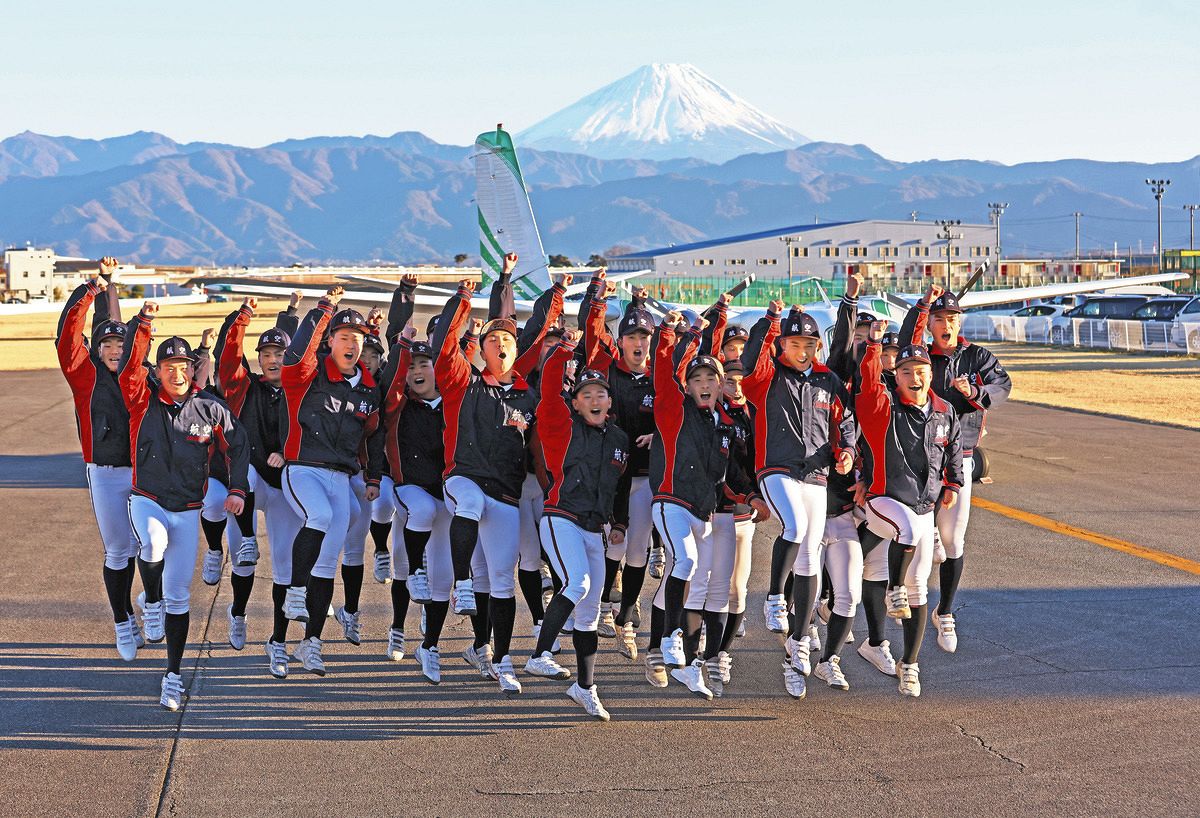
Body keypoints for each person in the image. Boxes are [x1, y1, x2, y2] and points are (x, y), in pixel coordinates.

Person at [431, 257, 564, 694]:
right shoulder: (461, 382)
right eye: (494, 340)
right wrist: (464, 299)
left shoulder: (529, 396)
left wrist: (558, 294)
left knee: (504, 581)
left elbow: (542, 334)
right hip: (463, 478)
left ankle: (501, 659)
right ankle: (462, 585)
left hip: (506, 495)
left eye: (509, 339)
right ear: (481, 349)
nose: (503, 345)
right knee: (467, 505)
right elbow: (445, 344)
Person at [118, 301, 249, 710]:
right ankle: (149, 601)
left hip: (188, 510)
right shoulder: (141, 401)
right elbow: (127, 366)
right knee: (152, 547)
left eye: (184, 365)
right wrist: (143, 324)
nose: (177, 372)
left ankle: (172, 677)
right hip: (148, 501)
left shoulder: (210, 408)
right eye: (168, 366)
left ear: (194, 369)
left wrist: (238, 489)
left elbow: (238, 446)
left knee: (181, 599)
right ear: (156, 371)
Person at [741, 301, 856, 700]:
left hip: (817, 474)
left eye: (809, 343)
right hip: (775, 468)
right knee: (794, 526)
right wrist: (769, 323)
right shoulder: (768, 377)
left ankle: (799, 645)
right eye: (794, 343)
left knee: (810, 557)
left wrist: (847, 452)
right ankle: (775, 597)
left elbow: (846, 423)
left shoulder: (828, 381)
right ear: (782, 345)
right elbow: (751, 361)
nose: (803, 351)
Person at [899, 285, 1012, 652]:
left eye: (952, 318)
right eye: (938, 318)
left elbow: (1002, 386)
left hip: (959, 456)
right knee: (916, 536)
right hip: (917, 456)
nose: (946, 324)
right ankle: (896, 593)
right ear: (930, 323)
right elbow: (904, 343)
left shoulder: (977, 356)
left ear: (959, 321)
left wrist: (975, 394)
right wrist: (921, 306)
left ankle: (944, 612)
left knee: (952, 542)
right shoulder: (919, 357)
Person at [279, 286, 384, 677]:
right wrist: (324, 309)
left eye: (358, 339)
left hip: (341, 477)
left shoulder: (369, 389)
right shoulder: (308, 374)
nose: (352, 345)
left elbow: (374, 436)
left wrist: (373, 476)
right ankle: (293, 592)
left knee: (327, 565)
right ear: (331, 341)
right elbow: (297, 354)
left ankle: (312, 644)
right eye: (344, 337)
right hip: (302, 468)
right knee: (318, 518)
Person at [524, 332, 629, 720]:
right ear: (575, 402)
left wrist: (619, 522)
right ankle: (541, 654)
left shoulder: (619, 438)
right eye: (586, 394)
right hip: (560, 516)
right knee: (577, 583)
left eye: (600, 393)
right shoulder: (560, 425)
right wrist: (565, 349)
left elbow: (617, 487)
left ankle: (584, 688)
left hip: (594, 528)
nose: (595, 399)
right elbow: (550, 390)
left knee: (588, 613)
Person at [857, 322, 964, 697]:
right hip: (882, 498)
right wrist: (872, 344)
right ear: (896, 376)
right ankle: (892, 588)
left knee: (921, 590)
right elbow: (868, 384)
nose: (913, 377)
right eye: (905, 372)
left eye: (920, 371)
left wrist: (952, 485)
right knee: (904, 531)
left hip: (923, 506)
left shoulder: (944, 410)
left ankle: (911, 665)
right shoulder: (884, 405)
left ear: (930, 374)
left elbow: (954, 451)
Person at [55, 261, 144, 660]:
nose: (114, 350)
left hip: (145, 473)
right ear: (96, 348)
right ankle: (123, 619)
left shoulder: (137, 375)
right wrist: (92, 288)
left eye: (120, 345)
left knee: (149, 547)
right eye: (106, 344)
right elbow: (68, 334)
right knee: (118, 550)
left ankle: (148, 604)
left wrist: (113, 287)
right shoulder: (83, 375)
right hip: (105, 474)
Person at [646, 309, 735, 699]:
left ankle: (687, 664)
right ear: (686, 385)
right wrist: (669, 331)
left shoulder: (725, 423)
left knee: (692, 581)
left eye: (710, 378)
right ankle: (668, 638)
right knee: (685, 563)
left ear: (720, 385)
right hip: (670, 502)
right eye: (695, 378)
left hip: (704, 512)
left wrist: (748, 496)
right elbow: (665, 365)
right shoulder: (672, 408)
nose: (703, 383)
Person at [216, 296, 304, 676]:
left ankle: (278, 642)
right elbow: (226, 359)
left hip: (283, 484)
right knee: (243, 560)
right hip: (248, 487)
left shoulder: (300, 389)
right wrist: (242, 318)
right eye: (265, 353)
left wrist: (286, 453)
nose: (272, 360)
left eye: (279, 353)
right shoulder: (242, 388)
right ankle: (238, 612)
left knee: (285, 567)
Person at [581, 274, 656, 658]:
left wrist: (657, 437)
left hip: (644, 478)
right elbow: (590, 337)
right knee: (613, 543)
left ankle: (626, 616)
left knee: (638, 549)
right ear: (621, 341)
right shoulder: (608, 372)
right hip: (609, 476)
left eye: (645, 338)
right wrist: (596, 297)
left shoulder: (662, 379)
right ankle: (602, 606)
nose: (638, 344)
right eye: (631, 337)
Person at [684, 357, 768, 697]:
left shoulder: (745, 418)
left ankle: (717, 656)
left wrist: (754, 496)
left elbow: (738, 469)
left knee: (733, 590)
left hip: (737, 513)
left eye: (715, 379)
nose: (733, 385)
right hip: (699, 513)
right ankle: (681, 657)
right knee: (694, 584)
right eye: (727, 379)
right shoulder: (688, 414)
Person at [378, 325, 455, 683]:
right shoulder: (398, 404)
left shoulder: (453, 404)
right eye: (411, 366)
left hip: (445, 495)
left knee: (444, 579)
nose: (417, 371)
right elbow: (392, 378)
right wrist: (402, 346)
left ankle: (431, 645)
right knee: (404, 567)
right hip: (408, 490)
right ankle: (396, 626)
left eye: (424, 364)